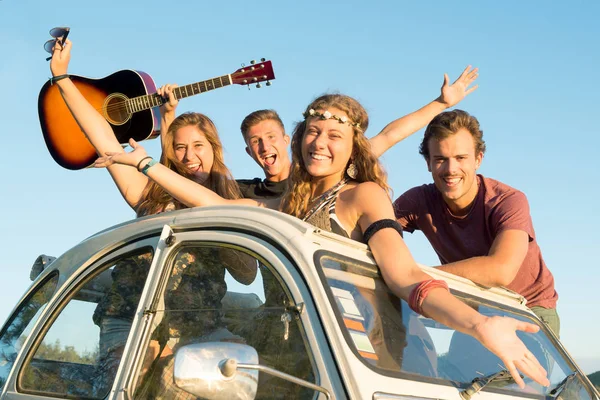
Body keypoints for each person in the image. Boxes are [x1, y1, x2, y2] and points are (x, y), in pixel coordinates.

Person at [95, 93, 550, 388]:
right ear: (299, 138)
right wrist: (145, 166)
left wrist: (476, 324)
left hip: (356, 357)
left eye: (336, 135)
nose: (320, 142)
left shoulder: (364, 196)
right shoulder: (287, 205)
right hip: (293, 355)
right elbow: (215, 204)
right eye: (313, 131)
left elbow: (406, 275)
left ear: (354, 148)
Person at [49, 39, 256, 399]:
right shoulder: (149, 194)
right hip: (130, 319)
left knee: (248, 374)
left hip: (199, 329)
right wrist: (63, 78)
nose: (189, 156)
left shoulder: (230, 202)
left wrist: (226, 229)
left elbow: (247, 272)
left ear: (214, 148)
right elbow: (102, 136)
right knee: (123, 388)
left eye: (198, 146)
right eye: (180, 148)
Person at [159, 65, 480, 199]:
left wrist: (439, 103)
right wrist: (168, 120)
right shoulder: (245, 192)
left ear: (287, 141)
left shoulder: (322, 171)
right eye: (255, 142)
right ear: (248, 152)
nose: (263, 146)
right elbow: (187, 172)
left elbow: (389, 135)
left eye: (270, 137)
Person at [392, 110, 559, 336]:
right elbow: (371, 229)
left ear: (478, 159)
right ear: (428, 163)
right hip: (475, 309)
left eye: (461, 158)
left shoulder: (508, 200)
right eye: (440, 159)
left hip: (527, 309)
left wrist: (415, 277)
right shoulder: (418, 200)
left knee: (508, 373)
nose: (451, 169)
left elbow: (500, 270)